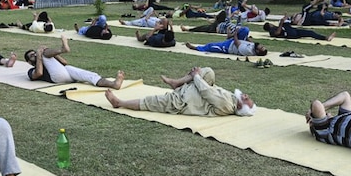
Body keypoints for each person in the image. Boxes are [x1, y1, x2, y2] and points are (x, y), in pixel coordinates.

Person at [104, 66, 256, 117]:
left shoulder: (227, 104)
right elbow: (209, 88)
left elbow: (206, 92)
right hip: (192, 91)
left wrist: (196, 75)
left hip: (183, 101)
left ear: (242, 107)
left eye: (248, 100)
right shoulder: (231, 98)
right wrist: (199, 76)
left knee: (153, 101)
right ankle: (177, 83)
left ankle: (119, 103)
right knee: (208, 72)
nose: (247, 96)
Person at [25, 35, 125, 89]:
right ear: (29, 62)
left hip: (66, 73)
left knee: (91, 76)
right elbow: (39, 73)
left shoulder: (50, 60)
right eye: (32, 56)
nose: (34, 55)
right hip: (56, 78)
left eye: (34, 53)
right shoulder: (31, 70)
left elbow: (64, 63)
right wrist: (39, 54)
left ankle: (113, 84)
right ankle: (63, 49)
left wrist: (53, 54)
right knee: (43, 53)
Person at [186, 30, 268, 57]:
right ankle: (230, 36)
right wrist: (245, 36)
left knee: (211, 46)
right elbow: (251, 42)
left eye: (261, 47)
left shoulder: (248, 51)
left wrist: (235, 34)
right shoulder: (253, 47)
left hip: (228, 47)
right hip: (233, 41)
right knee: (245, 30)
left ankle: (195, 48)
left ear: (257, 51)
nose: (261, 45)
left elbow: (237, 43)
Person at [264, 16, 336, 41]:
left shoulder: (275, 27)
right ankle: (326, 38)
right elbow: (277, 33)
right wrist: (281, 24)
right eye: (270, 24)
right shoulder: (271, 31)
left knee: (310, 33)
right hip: (289, 33)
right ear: (269, 26)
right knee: (285, 23)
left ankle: (326, 38)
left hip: (292, 30)